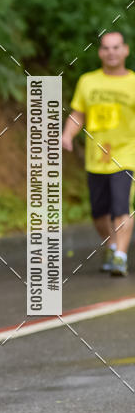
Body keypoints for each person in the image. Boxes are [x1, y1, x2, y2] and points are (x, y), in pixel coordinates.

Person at [62, 31, 135, 276]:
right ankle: (112, 245)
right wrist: (67, 135)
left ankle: (121, 257)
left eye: (116, 47)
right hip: (96, 157)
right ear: (100, 52)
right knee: (98, 213)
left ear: (125, 50)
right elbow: (78, 114)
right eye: (106, 48)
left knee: (121, 207)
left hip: (126, 155)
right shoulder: (88, 81)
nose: (111, 52)